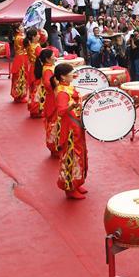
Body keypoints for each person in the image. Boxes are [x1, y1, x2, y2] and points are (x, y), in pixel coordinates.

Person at [52, 64, 88, 200]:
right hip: (70, 128)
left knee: (80, 153)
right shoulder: (62, 92)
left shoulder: (68, 87)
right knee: (71, 156)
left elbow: (76, 100)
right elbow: (61, 111)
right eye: (71, 72)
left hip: (76, 124)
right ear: (62, 76)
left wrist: (86, 97)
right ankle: (70, 188)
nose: (74, 74)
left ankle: (77, 183)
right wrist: (71, 106)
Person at [29, 49, 56, 119]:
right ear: (47, 59)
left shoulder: (47, 66)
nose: (55, 57)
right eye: (53, 56)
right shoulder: (48, 69)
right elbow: (48, 83)